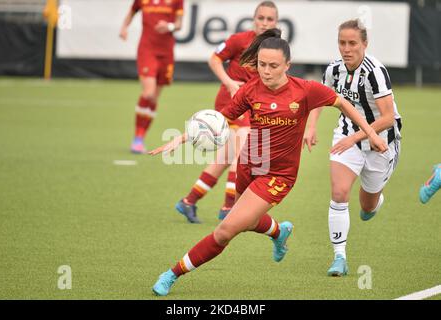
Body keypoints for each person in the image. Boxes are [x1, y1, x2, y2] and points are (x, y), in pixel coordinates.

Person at [148, 28, 387, 296]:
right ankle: (278, 232)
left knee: (225, 230)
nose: (266, 71)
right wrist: (181, 138)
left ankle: (171, 274)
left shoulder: (305, 90)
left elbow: (342, 104)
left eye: (273, 66)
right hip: (250, 164)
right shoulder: (250, 90)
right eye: (262, 64)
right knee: (245, 221)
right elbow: (217, 121)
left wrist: (370, 135)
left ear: (287, 65)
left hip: (279, 176)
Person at [303, 19, 402, 277]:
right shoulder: (334, 70)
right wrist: (311, 126)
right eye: (342, 43)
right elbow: (320, 97)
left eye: (352, 43)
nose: (346, 49)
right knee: (339, 192)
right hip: (346, 136)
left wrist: (357, 137)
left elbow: (388, 117)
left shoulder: (375, 72)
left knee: (367, 206)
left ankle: (374, 201)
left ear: (364, 44)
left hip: (381, 142)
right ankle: (339, 257)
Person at [175, 1, 279, 223]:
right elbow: (214, 59)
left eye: (269, 19)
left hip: (252, 107)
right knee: (240, 155)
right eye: (261, 18)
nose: (264, 23)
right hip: (231, 103)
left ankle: (188, 201)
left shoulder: (276, 47)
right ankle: (228, 208)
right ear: (254, 19)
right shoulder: (240, 40)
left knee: (226, 157)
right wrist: (230, 82)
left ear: (276, 22)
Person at [119, 0, 184, 154]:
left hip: (166, 52)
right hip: (147, 50)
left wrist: (168, 26)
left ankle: (141, 138)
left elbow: (179, 24)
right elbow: (132, 12)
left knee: (154, 98)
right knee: (148, 93)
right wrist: (124, 28)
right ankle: (137, 138)